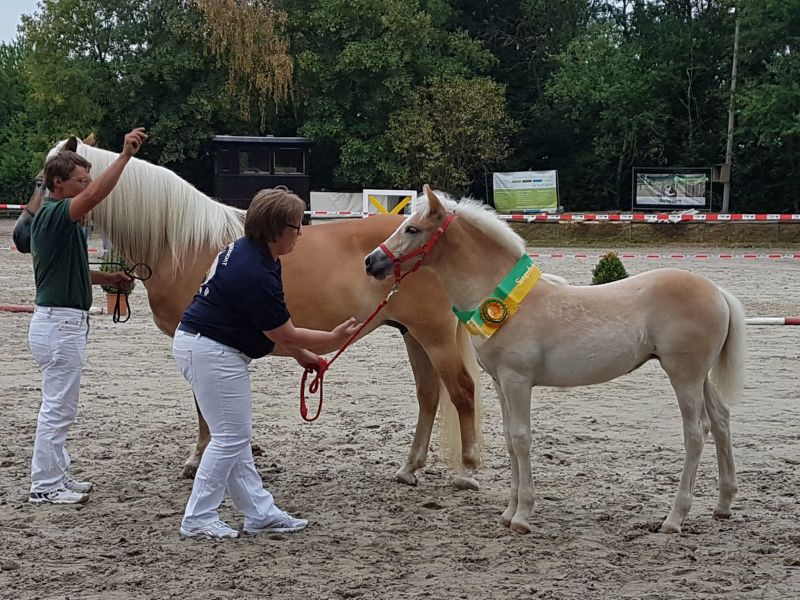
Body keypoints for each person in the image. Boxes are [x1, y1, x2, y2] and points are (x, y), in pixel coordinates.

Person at [173, 187, 360, 540]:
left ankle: (259, 512)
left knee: (234, 437)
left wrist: (304, 356)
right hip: (212, 351)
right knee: (230, 438)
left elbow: (265, 328)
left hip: (209, 346)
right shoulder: (254, 272)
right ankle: (198, 516)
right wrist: (332, 339)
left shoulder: (251, 253)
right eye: (296, 225)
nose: (301, 232)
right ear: (276, 228)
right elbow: (285, 332)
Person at [28, 127, 148, 505]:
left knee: (61, 405)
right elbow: (98, 194)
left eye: (88, 179)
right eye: (80, 180)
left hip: (61, 322)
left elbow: (69, 268)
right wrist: (125, 157)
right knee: (57, 408)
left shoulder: (55, 222)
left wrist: (106, 277)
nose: (87, 186)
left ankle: (56, 475)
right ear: (59, 184)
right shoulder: (55, 216)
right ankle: (45, 485)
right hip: (60, 324)